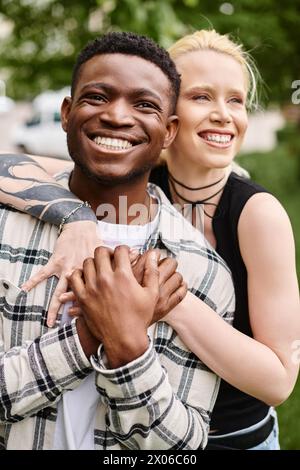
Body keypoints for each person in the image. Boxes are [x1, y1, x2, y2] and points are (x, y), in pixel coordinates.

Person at [0, 32, 235, 450]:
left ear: (168, 131)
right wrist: (93, 333)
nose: (117, 116)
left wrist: (128, 350)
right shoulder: (4, 228)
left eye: (144, 105)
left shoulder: (201, 270)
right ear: (67, 113)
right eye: (97, 97)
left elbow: (181, 450)